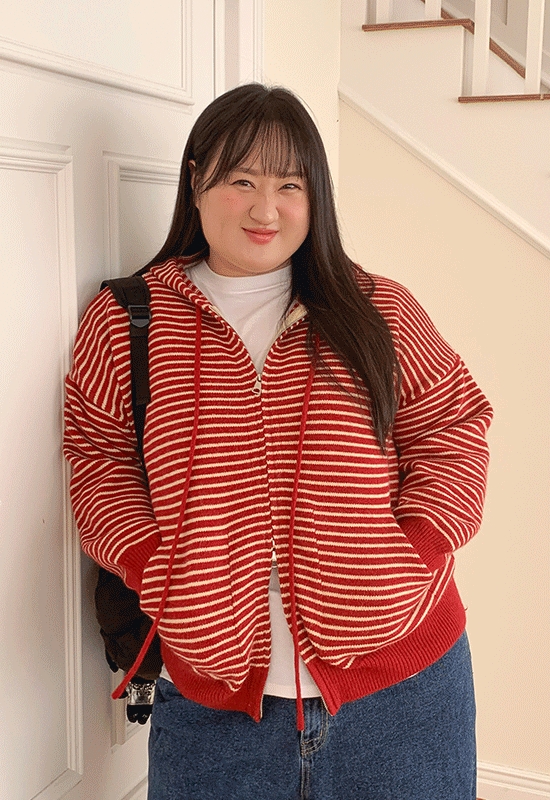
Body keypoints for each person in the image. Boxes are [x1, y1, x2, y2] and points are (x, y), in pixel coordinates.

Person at [64, 83, 493, 799]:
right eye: (242, 181)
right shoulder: (128, 319)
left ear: (314, 196)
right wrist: (153, 567)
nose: (266, 209)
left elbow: (453, 429)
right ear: (196, 181)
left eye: (290, 185)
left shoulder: (378, 308)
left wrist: (412, 551)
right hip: (210, 705)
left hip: (404, 692)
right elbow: (98, 460)